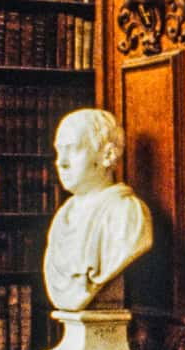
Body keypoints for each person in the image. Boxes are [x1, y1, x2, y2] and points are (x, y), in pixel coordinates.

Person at [41, 109, 152, 313]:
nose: (61, 162)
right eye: (58, 151)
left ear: (107, 155)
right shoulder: (62, 218)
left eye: (72, 149)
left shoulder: (127, 214)